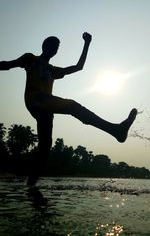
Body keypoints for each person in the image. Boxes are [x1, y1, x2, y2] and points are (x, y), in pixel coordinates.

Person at [0, 32, 137, 186]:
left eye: (57, 47)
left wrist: (87, 44)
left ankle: (31, 186)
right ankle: (115, 130)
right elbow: (7, 64)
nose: (55, 49)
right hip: (36, 99)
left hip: (47, 108)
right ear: (44, 46)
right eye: (53, 46)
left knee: (45, 148)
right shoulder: (31, 59)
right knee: (72, 106)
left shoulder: (52, 70)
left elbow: (78, 67)